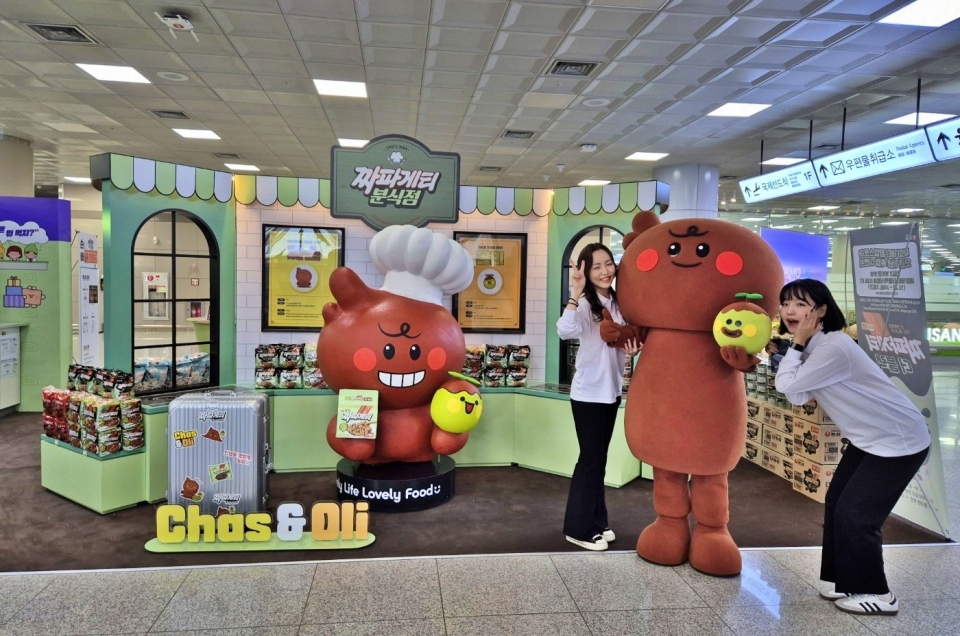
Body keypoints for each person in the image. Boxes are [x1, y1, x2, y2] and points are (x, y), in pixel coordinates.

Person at [774, 278, 930, 617]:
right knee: (837, 503)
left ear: (821, 311)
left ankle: (879, 593)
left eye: (800, 304)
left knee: (857, 514)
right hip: (869, 440)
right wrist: (799, 348)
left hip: (897, 440)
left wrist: (796, 346)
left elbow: (785, 383)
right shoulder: (817, 347)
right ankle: (843, 579)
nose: (789, 310)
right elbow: (798, 395)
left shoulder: (833, 347)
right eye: (785, 302)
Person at [557, 243, 640, 551]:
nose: (605, 271)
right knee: (589, 460)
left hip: (611, 392)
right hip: (588, 393)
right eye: (596, 267)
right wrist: (574, 292)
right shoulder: (584, 304)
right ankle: (577, 528)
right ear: (585, 272)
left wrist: (632, 347)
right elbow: (564, 331)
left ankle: (598, 521)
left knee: (599, 460)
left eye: (608, 264)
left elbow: (625, 337)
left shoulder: (617, 301)